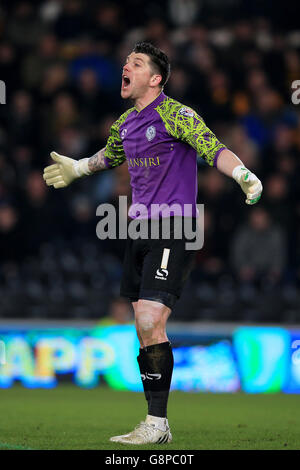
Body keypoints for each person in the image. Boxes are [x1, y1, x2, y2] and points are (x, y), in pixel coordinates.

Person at [43, 42, 262, 445]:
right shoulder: (124, 124)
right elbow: (107, 158)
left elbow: (214, 149)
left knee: (149, 319)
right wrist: (77, 167)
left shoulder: (177, 115)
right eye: (126, 60)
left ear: (155, 79)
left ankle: (157, 425)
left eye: (137, 63)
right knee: (145, 330)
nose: (126, 65)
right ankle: (155, 424)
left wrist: (243, 173)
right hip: (138, 231)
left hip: (174, 227)